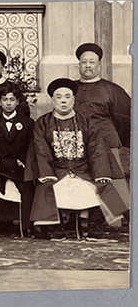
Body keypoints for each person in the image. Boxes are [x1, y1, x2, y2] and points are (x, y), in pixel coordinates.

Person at [25, 78, 128, 240]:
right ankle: (59, 226)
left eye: (67, 96)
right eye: (59, 97)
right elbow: (41, 150)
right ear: (53, 100)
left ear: (73, 99)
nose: (63, 100)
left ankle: (94, 225)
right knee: (48, 187)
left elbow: (97, 148)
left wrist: (100, 172)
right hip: (56, 170)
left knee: (100, 185)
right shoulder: (43, 123)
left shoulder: (86, 121)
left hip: (83, 169)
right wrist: (47, 172)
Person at [73, 43, 131, 221]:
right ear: (79, 65)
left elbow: (124, 121)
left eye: (92, 62)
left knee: (110, 182)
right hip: (78, 145)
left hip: (107, 144)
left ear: (99, 65)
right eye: (84, 62)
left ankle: (115, 218)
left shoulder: (112, 90)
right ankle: (83, 218)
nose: (88, 65)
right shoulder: (70, 89)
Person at [0, 86, 35, 237]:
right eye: (5, 100)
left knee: (28, 185)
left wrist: (22, 160)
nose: (8, 103)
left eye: (11, 100)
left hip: (18, 165)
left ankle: (27, 226)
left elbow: (31, 145)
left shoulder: (27, 123)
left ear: (17, 102)